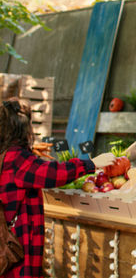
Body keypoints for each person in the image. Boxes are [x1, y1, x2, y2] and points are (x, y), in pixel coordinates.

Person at [0, 98, 115, 278]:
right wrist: (91, 164)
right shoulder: (16, 158)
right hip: (18, 244)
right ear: (21, 131)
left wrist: (29, 154)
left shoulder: (6, 154)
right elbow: (53, 173)